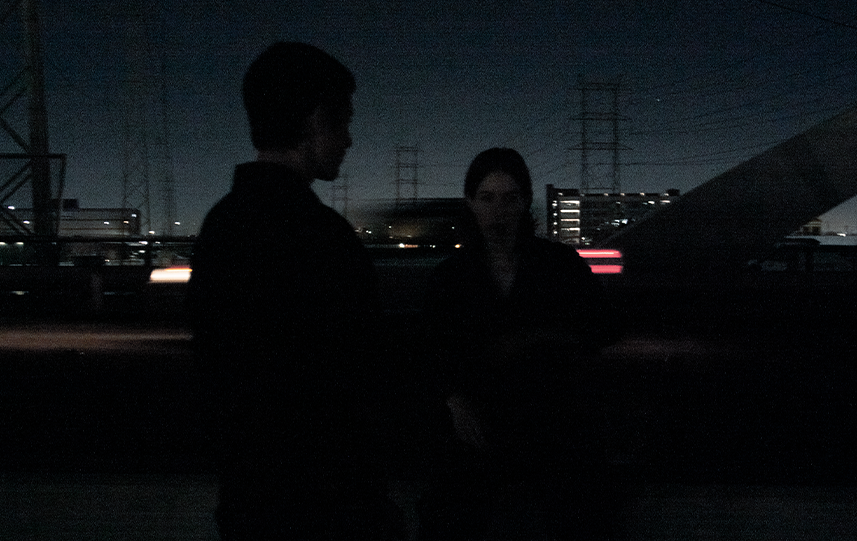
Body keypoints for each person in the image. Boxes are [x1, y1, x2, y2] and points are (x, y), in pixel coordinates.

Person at [186, 42, 402, 540]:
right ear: (314, 121)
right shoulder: (324, 237)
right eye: (344, 122)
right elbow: (359, 379)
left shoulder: (220, 226)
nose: (349, 140)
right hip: (328, 504)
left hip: (249, 497)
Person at [418, 148, 625, 540]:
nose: (499, 211)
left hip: (551, 425)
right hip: (480, 427)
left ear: (526, 202)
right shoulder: (450, 278)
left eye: (510, 198)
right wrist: (454, 400)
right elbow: (431, 350)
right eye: (487, 198)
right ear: (470, 203)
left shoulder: (559, 265)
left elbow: (603, 326)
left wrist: (533, 340)